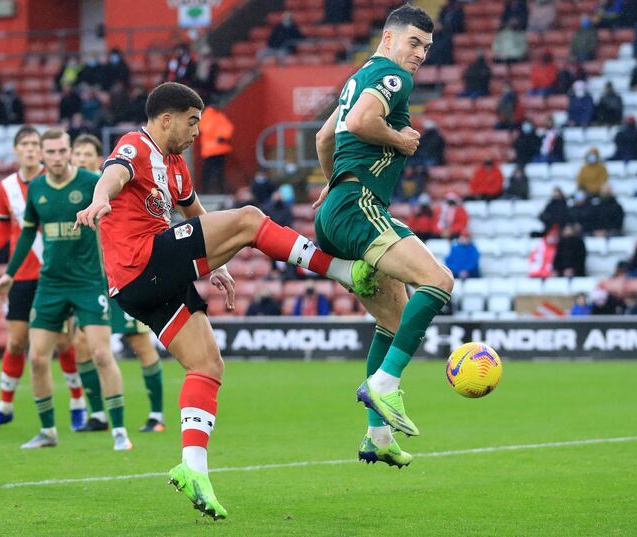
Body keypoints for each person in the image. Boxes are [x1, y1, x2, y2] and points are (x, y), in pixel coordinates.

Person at [74, 82, 379, 519]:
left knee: (207, 365)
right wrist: (99, 201)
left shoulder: (177, 166)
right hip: (141, 262)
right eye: (193, 121)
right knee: (250, 219)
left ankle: (192, 468)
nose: (198, 131)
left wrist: (216, 265)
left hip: (144, 285)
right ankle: (344, 271)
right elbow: (112, 176)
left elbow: (195, 215)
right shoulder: (135, 145)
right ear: (166, 119)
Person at [313, 6, 451, 471]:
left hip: (341, 207)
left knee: (393, 318)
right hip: (360, 206)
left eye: (426, 48)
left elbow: (323, 137)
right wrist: (400, 140)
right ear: (388, 38)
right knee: (439, 282)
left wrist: (332, 184)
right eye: (413, 42)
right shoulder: (393, 77)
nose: (419, 54)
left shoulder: (359, 77)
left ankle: (377, 436)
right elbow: (359, 124)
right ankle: (387, 383)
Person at [0, 129, 128, 451]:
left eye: (61, 151)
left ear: (69, 151)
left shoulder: (91, 182)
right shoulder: (36, 190)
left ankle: (119, 430)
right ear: (42, 155)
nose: (56, 157)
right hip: (50, 283)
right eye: (49, 152)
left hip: (87, 282)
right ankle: (48, 431)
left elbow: (118, 214)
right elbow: (25, 235)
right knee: (37, 358)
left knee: (101, 353)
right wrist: (10, 274)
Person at [0, 126, 86, 431]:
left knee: (63, 341)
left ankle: (77, 402)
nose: (32, 149)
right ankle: (4, 407)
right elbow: (3, 230)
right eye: (26, 144)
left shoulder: (55, 181)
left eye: (36, 144)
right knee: (16, 341)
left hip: (55, 275)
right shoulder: (7, 187)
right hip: (21, 276)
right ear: (16, 150)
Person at [69, 133, 167, 434]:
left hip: (123, 274)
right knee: (81, 344)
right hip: (91, 282)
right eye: (78, 154)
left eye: (88, 154)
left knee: (138, 342)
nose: (82, 158)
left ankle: (156, 415)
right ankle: (98, 414)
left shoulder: (112, 185)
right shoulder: (70, 190)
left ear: (99, 159)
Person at [199, 100, 234, 193]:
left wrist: (222, 136)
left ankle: (205, 190)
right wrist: (221, 136)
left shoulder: (207, 116)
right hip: (217, 150)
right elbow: (227, 128)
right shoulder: (215, 116)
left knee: (209, 172)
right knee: (218, 172)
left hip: (212, 150)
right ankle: (217, 190)